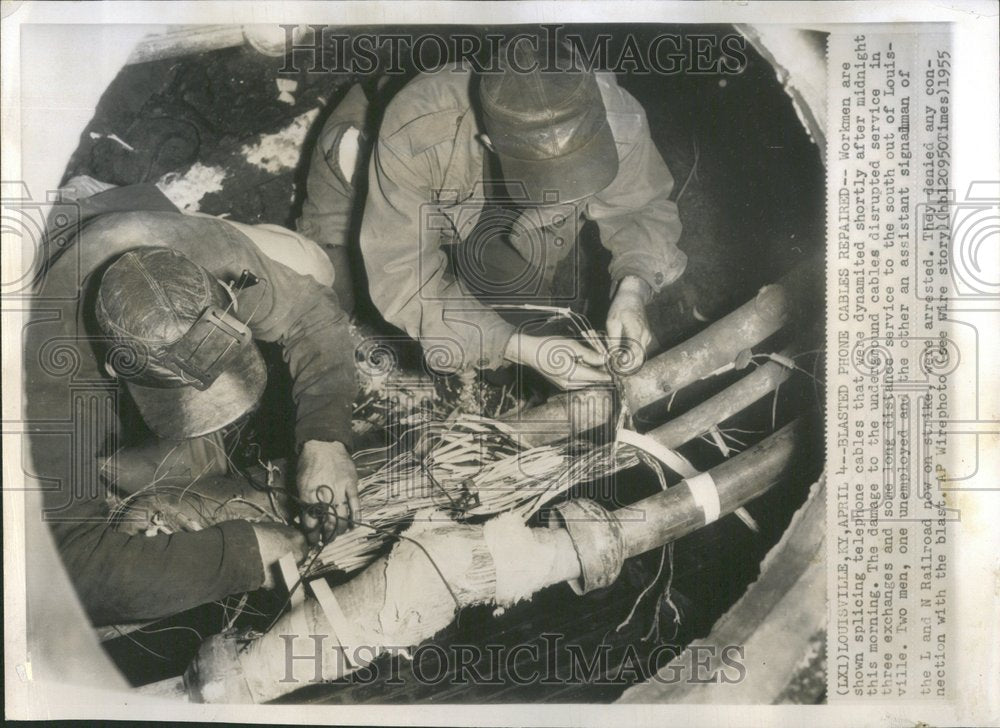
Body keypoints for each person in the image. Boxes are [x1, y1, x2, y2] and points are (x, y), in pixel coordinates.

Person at [25, 185, 359, 625]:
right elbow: (71, 569)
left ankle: (88, 192)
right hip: (34, 271)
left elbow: (312, 314)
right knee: (170, 489)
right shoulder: (45, 382)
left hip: (123, 221)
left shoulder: (211, 256)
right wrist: (244, 554)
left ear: (223, 296)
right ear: (114, 370)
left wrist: (324, 435)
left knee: (314, 265)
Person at [346, 38, 686, 388]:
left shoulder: (613, 114)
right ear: (491, 143)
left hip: (507, 209)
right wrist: (511, 346)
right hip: (419, 185)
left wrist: (634, 288)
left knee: (532, 316)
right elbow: (403, 277)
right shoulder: (416, 130)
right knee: (341, 291)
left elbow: (640, 206)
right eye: (557, 184)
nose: (573, 200)